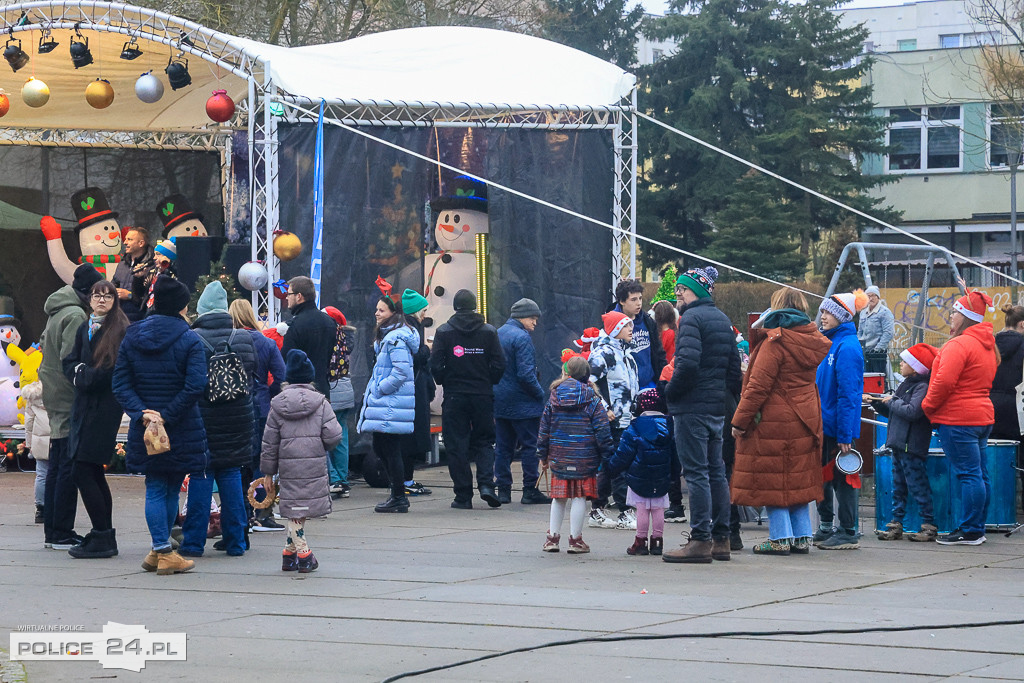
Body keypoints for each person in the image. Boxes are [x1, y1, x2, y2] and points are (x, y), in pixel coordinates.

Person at [112, 275, 207, 575]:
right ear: (182, 306)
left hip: (145, 427)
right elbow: (195, 385)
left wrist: (142, 413)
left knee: (155, 485)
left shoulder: (132, 336)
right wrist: (166, 415)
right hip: (180, 425)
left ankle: (158, 549)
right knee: (171, 487)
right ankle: (164, 551)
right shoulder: (189, 339)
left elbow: (120, 383)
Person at [730, 288, 831, 556]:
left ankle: (779, 538)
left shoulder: (776, 342)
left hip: (774, 420)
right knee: (796, 479)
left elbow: (757, 387)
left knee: (773, 478)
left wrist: (740, 421)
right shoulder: (810, 340)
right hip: (806, 417)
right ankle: (802, 537)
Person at [663, 266, 742, 564]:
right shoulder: (722, 319)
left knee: (696, 474)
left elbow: (687, 364)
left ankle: (699, 540)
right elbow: (734, 370)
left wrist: (670, 393)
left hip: (692, 407)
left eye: (682, 289)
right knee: (717, 472)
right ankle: (722, 539)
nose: (678, 294)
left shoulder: (691, 319)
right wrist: (723, 397)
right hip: (716, 408)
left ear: (695, 291)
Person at [181, 281, 256, 557]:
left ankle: (193, 543)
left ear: (201, 310)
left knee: (201, 477)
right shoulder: (244, 338)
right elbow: (251, 373)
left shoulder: (192, 339)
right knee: (232, 475)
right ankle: (236, 542)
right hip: (238, 419)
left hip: (204, 419)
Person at [923, 289, 998, 546]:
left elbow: (943, 382)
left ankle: (970, 530)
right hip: (981, 416)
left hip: (958, 418)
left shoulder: (958, 345)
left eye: (955, 312)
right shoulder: (987, 345)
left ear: (965, 316)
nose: (951, 316)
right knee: (980, 474)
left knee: (969, 475)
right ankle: (976, 527)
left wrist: (928, 406)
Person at [62, 280, 129, 559]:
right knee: (89, 470)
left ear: (115, 301)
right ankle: (103, 534)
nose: (102, 300)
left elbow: (108, 371)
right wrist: (80, 373)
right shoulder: (84, 326)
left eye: (108, 296)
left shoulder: (119, 329)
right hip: (84, 407)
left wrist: (83, 375)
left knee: (83, 469)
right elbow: (69, 361)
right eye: (97, 295)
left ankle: (102, 535)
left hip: (103, 409)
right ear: (89, 299)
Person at [260, 349, 343, 573]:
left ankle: (289, 554)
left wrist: (268, 472)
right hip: (313, 465)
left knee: (296, 507)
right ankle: (305, 555)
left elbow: (269, 443)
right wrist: (320, 444)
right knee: (299, 510)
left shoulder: (277, 405)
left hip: (288, 466)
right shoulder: (321, 403)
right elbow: (334, 435)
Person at [40, 263, 102, 550]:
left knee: (56, 463)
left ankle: (53, 530)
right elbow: (71, 359)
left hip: (53, 390)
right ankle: (62, 531)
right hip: (67, 394)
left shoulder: (58, 309)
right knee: (68, 464)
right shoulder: (76, 315)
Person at [429, 289, 506, 509]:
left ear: (455, 307)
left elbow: (436, 364)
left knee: (456, 444)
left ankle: (463, 495)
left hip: (455, 395)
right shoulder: (489, 332)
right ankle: (487, 485)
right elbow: (499, 363)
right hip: (482, 394)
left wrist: (445, 380)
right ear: (474, 306)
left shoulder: (444, 332)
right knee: (484, 441)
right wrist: (488, 380)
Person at [538, 355, 613, 554]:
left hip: (559, 455)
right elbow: (602, 431)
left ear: (567, 372)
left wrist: (543, 454)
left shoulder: (554, 397)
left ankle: (552, 539)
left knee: (558, 498)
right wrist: (608, 455)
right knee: (579, 497)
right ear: (587, 375)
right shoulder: (593, 400)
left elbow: (544, 429)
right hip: (584, 457)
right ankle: (575, 541)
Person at [868, 343, 939, 542]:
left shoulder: (922, 387)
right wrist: (876, 402)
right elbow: (895, 412)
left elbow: (912, 411)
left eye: (905, 361)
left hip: (911, 446)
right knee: (898, 487)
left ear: (916, 367)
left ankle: (928, 525)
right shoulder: (906, 384)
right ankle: (896, 524)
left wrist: (891, 401)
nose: (900, 364)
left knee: (917, 486)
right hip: (900, 444)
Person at [814, 289, 868, 550]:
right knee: (823, 478)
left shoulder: (847, 348)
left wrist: (846, 434)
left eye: (828, 312)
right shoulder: (830, 343)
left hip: (837, 429)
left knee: (843, 480)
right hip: (825, 425)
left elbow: (848, 394)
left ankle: (848, 530)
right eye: (822, 311)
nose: (823, 316)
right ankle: (826, 526)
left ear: (843, 316)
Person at [358, 294, 418, 513]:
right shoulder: (389, 338)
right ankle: (397, 494)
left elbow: (401, 372)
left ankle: (398, 496)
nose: (376, 313)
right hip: (388, 403)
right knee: (382, 447)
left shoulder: (395, 340)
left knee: (389, 449)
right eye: (376, 309)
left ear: (394, 313)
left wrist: (380, 388)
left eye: (381, 310)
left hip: (390, 402)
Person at [229, 298, 286, 529]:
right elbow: (281, 375)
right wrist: (268, 393)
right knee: (262, 460)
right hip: (261, 406)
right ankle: (262, 511)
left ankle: (242, 512)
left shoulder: (228, 341)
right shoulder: (266, 343)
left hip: (234, 407)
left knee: (236, 462)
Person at [606, 387, 681, 557]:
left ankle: (640, 542)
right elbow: (675, 455)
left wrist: (610, 468)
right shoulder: (670, 427)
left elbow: (623, 455)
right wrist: (674, 474)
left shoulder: (634, 428)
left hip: (638, 477)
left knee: (642, 509)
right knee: (658, 509)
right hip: (662, 476)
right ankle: (657, 542)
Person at [587, 310, 640, 530]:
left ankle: (597, 509)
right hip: (610, 420)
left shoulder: (627, 355)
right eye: (626, 326)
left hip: (626, 419)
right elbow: (587, 382)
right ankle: (624, 512)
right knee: (618, 464)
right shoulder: (603, 354)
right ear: (615, 329)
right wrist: (604, 408)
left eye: (631, 325)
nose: (631, 329)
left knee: (612, 464)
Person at [494, 298, 550, 505]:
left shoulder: (498, 333)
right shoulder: (522, 337)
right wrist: (539, 393)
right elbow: (526, 374)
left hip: (500, 399)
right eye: (532, 318)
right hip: (524, 403)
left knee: (503, 447)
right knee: (529, 446)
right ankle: (529, 490)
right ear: (522, 317)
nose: (535, 322)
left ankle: (503, 490)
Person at [398, 290, 434, 497]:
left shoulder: (402, 328)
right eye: (424, 310)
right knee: (409, 439)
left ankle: (404, 480)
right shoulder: (410, 331)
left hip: (410, 391)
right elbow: (412, 359)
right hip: (413, 391)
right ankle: (405, 481)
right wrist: (427, 349)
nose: (425, 314)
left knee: (406, 438)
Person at [281, 276, 338, 396]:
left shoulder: (296, 325)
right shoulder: (330, 321)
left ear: (299, 296)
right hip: (324, 389)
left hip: (301, 393)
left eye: (289, 294)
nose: (286, 297)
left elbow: (286, 359)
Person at [991, 304, 1024, 505]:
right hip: (1018, 409)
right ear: (1022, 324)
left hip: (990, 408)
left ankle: (997, 507)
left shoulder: (990, 345)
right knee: (1021, 461)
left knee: (994, 460)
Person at [323, 305, 356, 499]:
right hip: (346, 390)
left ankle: (334, 478)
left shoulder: (329, 337)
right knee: (342, 436)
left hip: (332, 390)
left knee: (323, 435)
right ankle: (343, 480)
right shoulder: (346, 338)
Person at [611, 279, 666, 390]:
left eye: (640, 298)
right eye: (633, 299)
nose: (639, 303)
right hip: (625, 388)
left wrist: (662, 380)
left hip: (650, 383)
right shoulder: (612, 324)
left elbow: (658, 352)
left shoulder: (648, 321)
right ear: (622, 301)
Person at [112, 226, 155, 322]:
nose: (125, 242)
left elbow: (151, 297)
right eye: (125, 239)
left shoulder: (152, 266)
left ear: (141, 243)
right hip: (119, 318)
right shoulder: (122, 264)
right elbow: (114, 282)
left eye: (129, 239)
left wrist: (130, 295)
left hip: (140, 320)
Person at [858, 285, 895, 374]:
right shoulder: (863, 312)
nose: (871, 298)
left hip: (878, 354)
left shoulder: (885, 312)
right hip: (864, 352)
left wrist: (877, 349)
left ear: (878, 297)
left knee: (878, 378)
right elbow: (860, 332)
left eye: (873, 295)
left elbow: (888, 333)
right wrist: (859, 345)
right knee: (865, 377)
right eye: (868, 296)